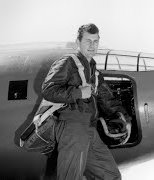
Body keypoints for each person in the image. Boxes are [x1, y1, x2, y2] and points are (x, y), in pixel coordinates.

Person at [42, 23, 132, 180]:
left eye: (95, 41)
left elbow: (107, 99)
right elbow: (48, 90)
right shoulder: (68, 63)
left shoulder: (94, 72)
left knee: (111, 176)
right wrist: (78, 92)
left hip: (90, 129)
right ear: (78, 42)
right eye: (88, 41)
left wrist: (126, 119)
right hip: (72, 127)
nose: (92, 45)